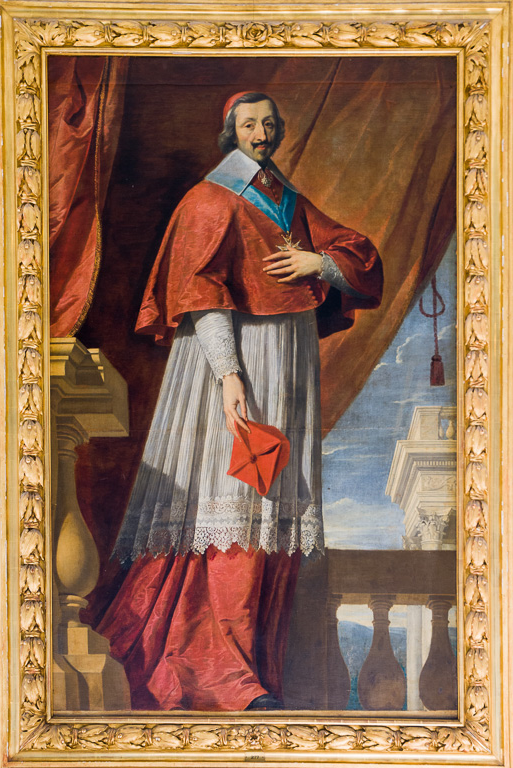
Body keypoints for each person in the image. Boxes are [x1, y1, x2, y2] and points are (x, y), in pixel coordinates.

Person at [94, 92, 383, 711]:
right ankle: (216, 670)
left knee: (270, 503)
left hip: (289, 367)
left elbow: (357, 257)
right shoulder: (207, 200)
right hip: (234, 366)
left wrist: (319, 262)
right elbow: (201, 295)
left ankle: (254, 666)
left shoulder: (288, 201)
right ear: (230, 132)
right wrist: (229, 376)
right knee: (233, 502)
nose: (262, 133)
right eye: (250, 124)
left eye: (270, 125)